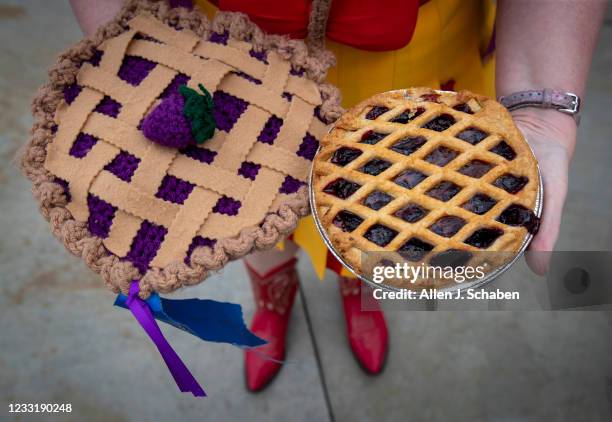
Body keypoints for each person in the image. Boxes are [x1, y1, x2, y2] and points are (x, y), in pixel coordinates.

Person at [69, 0, 606, 392]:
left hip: (415, 54)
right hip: (228, 52)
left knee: (391, 214)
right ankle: (271, 297)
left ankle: (361, 288)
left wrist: (543, 107)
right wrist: (133, 62)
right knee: (241, 211)